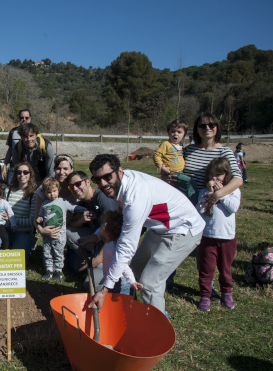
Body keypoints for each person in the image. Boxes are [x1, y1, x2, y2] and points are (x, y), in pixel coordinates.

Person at [86, 154, 205, 315]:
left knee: (150, 283)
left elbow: (126, 246)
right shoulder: (119, 186)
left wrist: (105, 289)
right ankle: (130, 313)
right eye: (97, 179)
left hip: (182, 229)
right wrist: (96, 235)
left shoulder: (135, 198)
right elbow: (115, 215)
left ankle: (158, 328)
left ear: (119, 171)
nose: (103, 184)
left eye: (107, 177)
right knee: (135, 270)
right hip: (160, 229)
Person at [197, 158, 241, 311]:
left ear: (226, 175)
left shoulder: (233, 191)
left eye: (218, 175)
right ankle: (205, 295)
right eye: (211, 175)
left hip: (227, 237)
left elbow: (233, 207)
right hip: (208, 236)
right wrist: (210, 193)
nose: (214, 179)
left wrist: (220, 194)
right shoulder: (204, 191)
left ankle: (227, 293)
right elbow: (201, 210)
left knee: (225, 268)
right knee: (206, 268)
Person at [64, 171, 117, 290]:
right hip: (96, 241)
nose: (75, 189)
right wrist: (82, 219)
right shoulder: (83, 202)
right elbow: (72, 225)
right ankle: (88, 262)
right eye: (71, 187)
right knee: (66, 233)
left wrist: (97, 259)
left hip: (112, 247)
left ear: (87, 182)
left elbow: (114, 233)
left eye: (78, 184)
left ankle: (101, 267)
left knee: (89, 285)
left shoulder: (102, 198)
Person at [36, 177, 86, 281]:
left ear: (58, 190)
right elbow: (40, 215)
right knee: (47, 252)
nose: (52, 194)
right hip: (47, 235)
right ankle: (49, 270)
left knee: (58, 252)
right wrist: (39, 218)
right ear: (44, 192)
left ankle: (58, 270)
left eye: (54, 191)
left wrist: (85, 210)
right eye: (49, 192)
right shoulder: (44, 204)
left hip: (59, 234)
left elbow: (73, 207)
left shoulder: (63, 202)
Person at [0, 162, 38, 257]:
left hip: (23, 232)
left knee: (18, 257)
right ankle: (9, 245)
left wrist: (12, 219)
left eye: (25, 172)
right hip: (6, 230)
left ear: (30, 175)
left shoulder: (33, 195)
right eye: (19, 172)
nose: (22, 175)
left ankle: (28, 243)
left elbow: (31, 221)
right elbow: (1, 210)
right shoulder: (8, 191)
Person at [90, 210, 143, 295]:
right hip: (111, 279)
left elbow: (124, 267)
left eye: (103, 237)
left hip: (120, 283)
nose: (101, 235)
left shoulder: (113, 248)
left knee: (123, 305)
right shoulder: (110, 242)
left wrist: (132, 281)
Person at [153, 119, 195, 202]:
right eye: (172, 132)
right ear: (168, 133)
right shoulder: (166, 144)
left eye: (179, 132)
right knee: (191, 183)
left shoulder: (180, 146)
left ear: (184, 135)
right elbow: (156, 155)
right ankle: (194, 203)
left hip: (181, 172)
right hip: (172, 173)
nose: (175, 134)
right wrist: (162, 167)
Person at [2, 109, 32, 183]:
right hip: (14, 168)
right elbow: (10, 150)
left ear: (30, 119)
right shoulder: (13, 132)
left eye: (26, 118)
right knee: (11, 190)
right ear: (19, 119)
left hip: (29, 169)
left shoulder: (34, 132)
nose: (24, 120)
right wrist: (4, 166)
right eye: (22, 118)